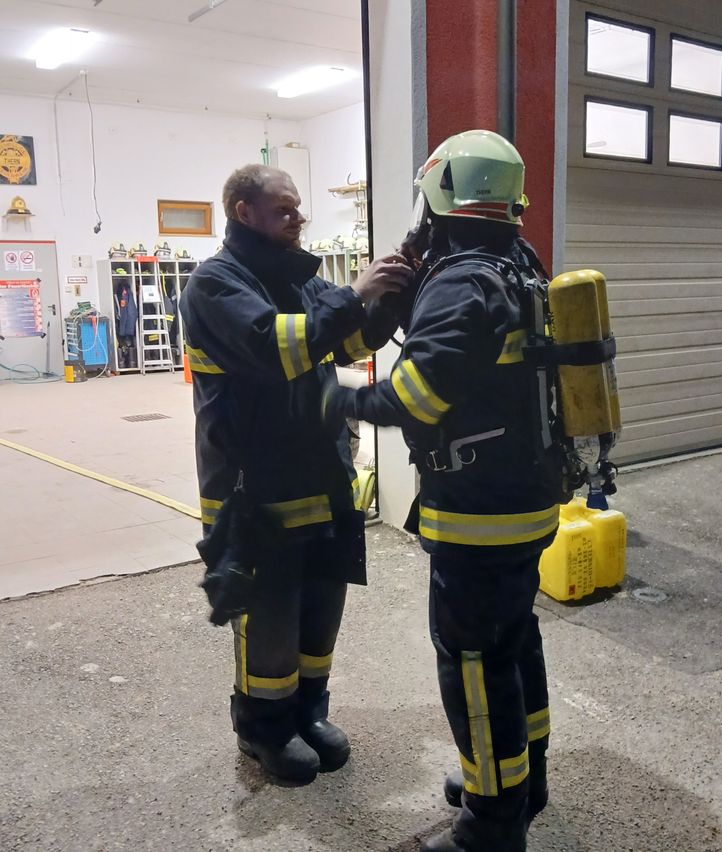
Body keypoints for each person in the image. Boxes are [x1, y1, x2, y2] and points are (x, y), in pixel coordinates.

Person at [322, 130, 560, 851]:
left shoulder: (461, 280)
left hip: (479, 515)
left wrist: (338, 404)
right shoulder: (520, 264)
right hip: (528, 501)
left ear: (438, 195)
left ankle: (491, 823)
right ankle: (522, 780)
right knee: (515, 641)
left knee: (475, 663)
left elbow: (416, 400)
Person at [179, 164, 412, 784]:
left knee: (321, 596)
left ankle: (309, 710)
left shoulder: (296, 277)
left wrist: (388, 299)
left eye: (298, 209)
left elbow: (345, 346)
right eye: (284, 210)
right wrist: (353, 292)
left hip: (318, 470)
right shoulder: (214, 284)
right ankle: (264, 728)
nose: (298, 219)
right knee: (270, 609)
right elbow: (275, 347)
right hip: (254, 485)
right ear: (242, 211)